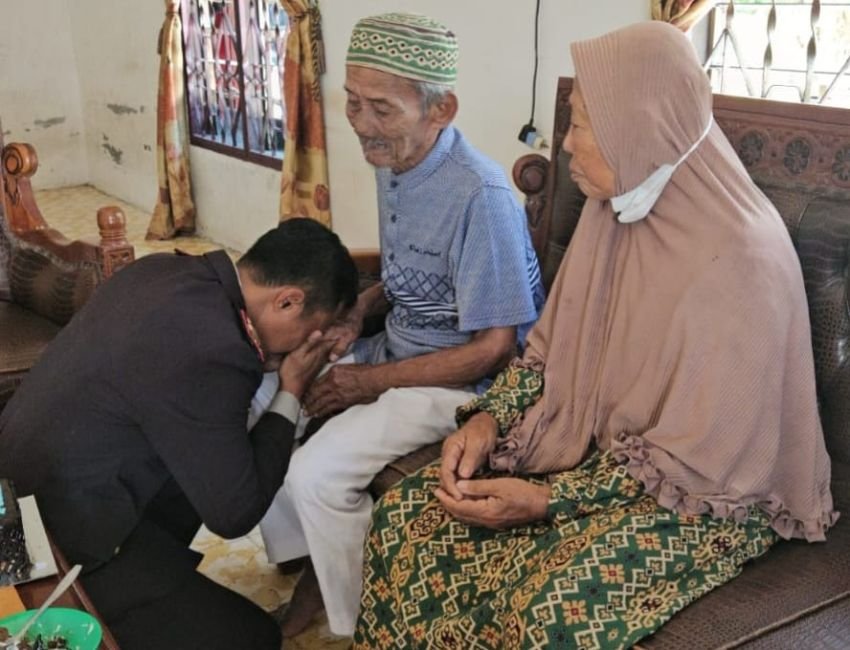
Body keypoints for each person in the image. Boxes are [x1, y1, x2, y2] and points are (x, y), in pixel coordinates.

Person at [353, 22, 838, 649]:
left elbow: (701, 462)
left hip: (701, 499)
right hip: (597, 447)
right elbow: (548, 353)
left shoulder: (744, 262)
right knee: (405, 520)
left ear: (639, 127)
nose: (565, 146)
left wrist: (546, 500)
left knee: (547, 609)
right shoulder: (616, 208)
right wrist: (487, 420)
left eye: (581, 125)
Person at [259, 11, 545, 638]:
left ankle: (356, 617)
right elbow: (408, 271)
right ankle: (307, 552)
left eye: (382, 109)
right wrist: (357, 313)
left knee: (316, 472)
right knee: (263, 398)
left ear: (441, 109)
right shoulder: (397, 159)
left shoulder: (481, 196)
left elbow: (496, 350)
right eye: (353, 102)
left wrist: (368, 383)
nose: (361, 124)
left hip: (462, 386)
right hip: (397, 349)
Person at [0, 218, 358, 650]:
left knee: (203, 460)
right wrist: (292, 389)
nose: (309, 343)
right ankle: (120, 597)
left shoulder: (162, 271)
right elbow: (235, 514)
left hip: (21, 499)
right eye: (313, 331)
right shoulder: (216, 349)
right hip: (56, 550)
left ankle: (154, 579)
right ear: (287, 301)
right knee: (256, 638)